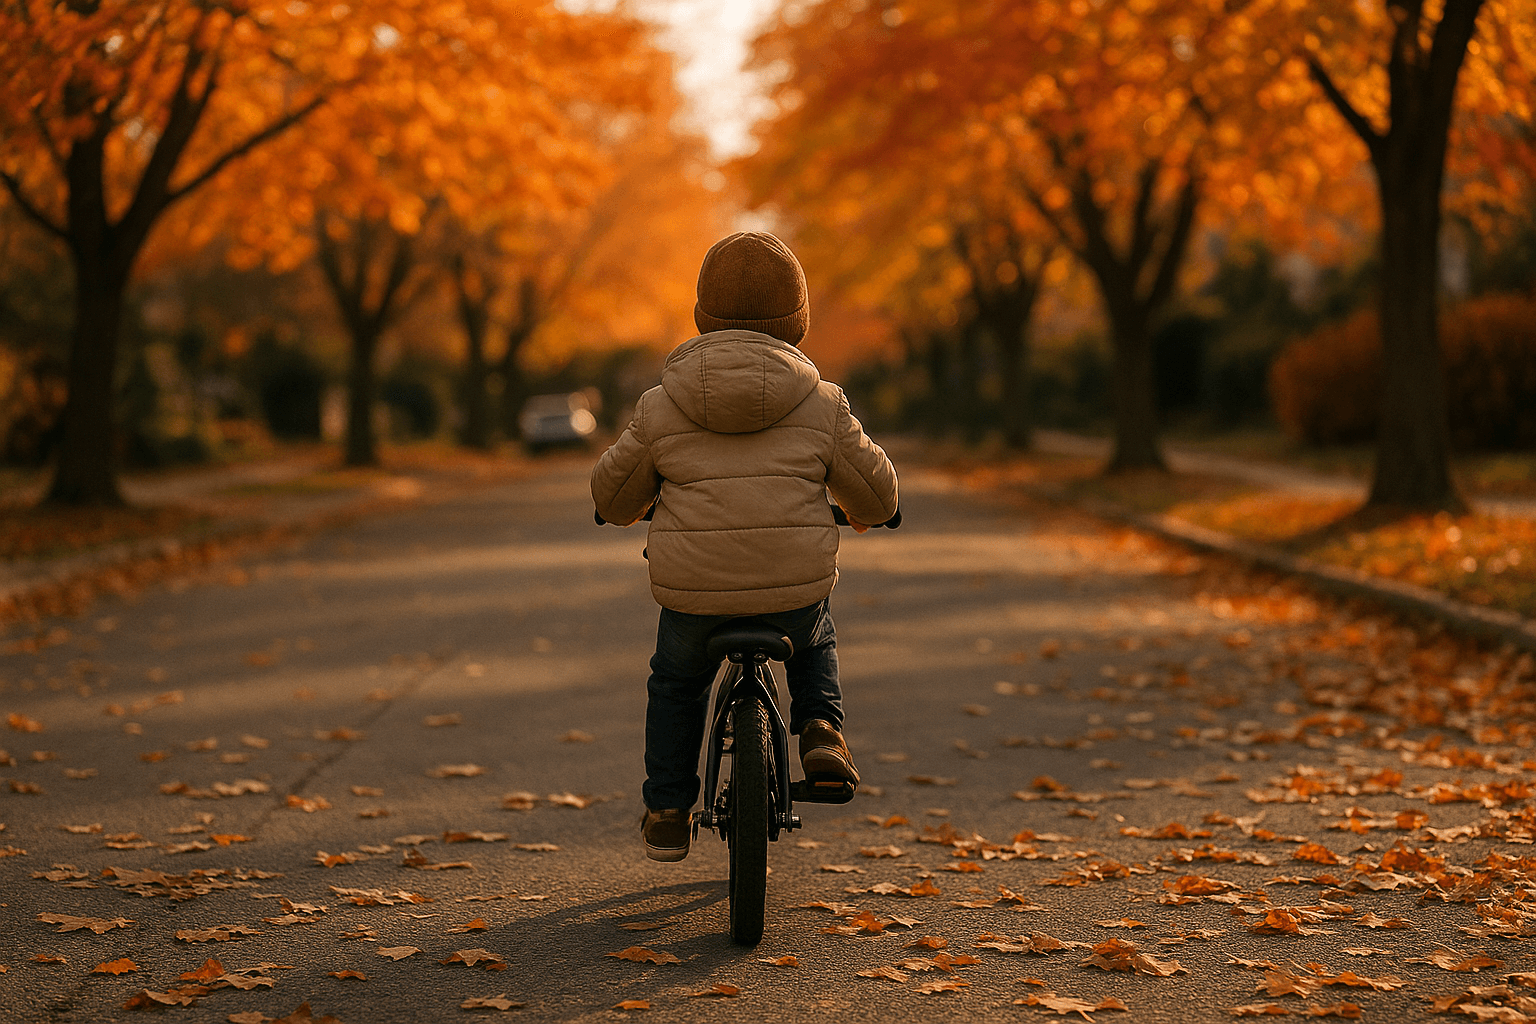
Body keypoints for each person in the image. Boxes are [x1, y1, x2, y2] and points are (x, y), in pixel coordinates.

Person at [591, 231, 900, 862]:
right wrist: (871, 513)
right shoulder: (821, 403)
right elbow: (878, 495)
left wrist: (616, 508)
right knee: (815, 633)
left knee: (675, 684)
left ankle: (670, 807)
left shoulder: (661, 406)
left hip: (694, 598)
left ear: (702, 314)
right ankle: (820, 728)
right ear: (799, 320)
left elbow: (614, 495)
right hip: (792, 589)